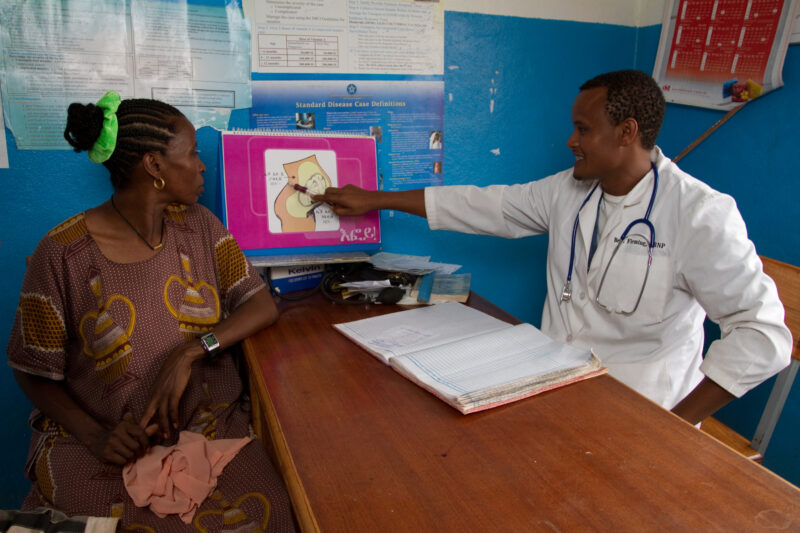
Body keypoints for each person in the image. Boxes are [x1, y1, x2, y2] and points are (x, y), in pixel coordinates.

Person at [316, 70, 792, 424]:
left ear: (627, 132)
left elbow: (764, 335)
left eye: (583, 129)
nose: (570, 141)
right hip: (552, 385)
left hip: (640, 408)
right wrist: (375, 199)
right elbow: (488, 206)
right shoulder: (570, 190)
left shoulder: (699, 214)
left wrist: (678, 424)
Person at [7, 92, 297, 531]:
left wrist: (192, 351)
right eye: (193, 153)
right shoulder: (62, 254)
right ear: (154, 166)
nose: (202, 165)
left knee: (271, 515)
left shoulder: (198, 225)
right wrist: (97, 436)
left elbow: (260, 303)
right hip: (103, 442)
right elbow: (30, 369)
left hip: (207, 430)